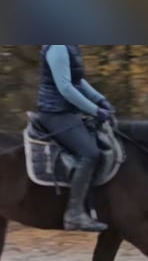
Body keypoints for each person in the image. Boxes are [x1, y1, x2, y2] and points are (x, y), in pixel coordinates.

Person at [36, 44, 115, 232]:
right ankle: (74, 215)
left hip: (67, 112)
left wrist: (100, 99)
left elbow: (77, 80)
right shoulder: (58, 47)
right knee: (89, 153)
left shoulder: (70, 46)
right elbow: (65, 88)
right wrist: (95, 110)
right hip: (55, 113)